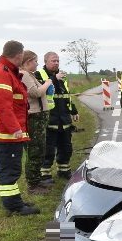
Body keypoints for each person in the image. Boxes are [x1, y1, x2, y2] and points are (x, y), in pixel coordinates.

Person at [0, 40, 39, 216]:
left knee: (11, 168)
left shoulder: (6, 71)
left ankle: (15, 201)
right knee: (10, 170)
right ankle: (14, 206)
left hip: (6, 130)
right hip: (5, 132)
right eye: (23, 54)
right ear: (19, 55)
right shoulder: (2, 72)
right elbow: (2, 105)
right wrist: (15, 129)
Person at [36, 51, 78, 180]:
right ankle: (45, 175)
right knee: (48, 149)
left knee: (66, 147)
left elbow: (66, 95)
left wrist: (74, 111)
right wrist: (55, 79)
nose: (56, 63)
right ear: (45, 62)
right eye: (53, 61)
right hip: (49, 119)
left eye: (57, 61)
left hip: (64, 118)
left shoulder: (62, 76)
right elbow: (41, 91)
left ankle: (63, 171)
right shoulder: (38, 74)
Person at [19, 50, 53, 194]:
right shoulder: (25, 75)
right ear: (27, 62)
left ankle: (37, 179)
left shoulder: (30, 74)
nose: (37, 64)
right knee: (35, 150)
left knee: (40, 149)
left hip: (39, 116)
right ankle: (33, 185)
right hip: (34, 117)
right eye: (35, 61)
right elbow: (35, 93)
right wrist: (47, 83)